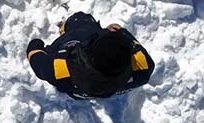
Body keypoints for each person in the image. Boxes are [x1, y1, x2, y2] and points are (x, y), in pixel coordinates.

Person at [26, 12, 154, 98]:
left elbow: (39, 64)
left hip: (75, 82)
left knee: (81, 21)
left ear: (90, 50)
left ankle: (66, 28)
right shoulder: (142, 68)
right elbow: (135, 47)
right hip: (101, 89)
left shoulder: (62, 70)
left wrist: (35, 46)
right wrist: (122, 32)